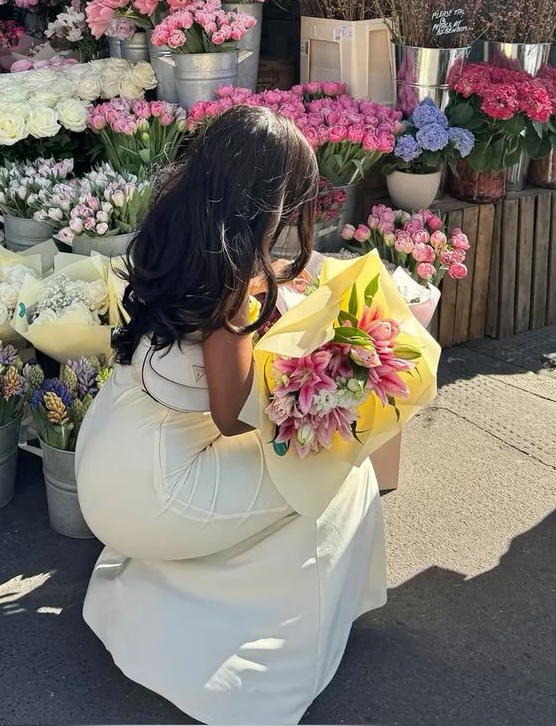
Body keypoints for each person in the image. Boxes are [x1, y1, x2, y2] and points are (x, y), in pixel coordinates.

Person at [75, 106, 387, 725]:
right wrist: (331, 386)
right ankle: (265, 659)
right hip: (160, 491)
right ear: (266, 202)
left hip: (112, 451)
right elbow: (235, 418)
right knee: (339, 467)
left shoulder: (176, 238)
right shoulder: (232, 284)